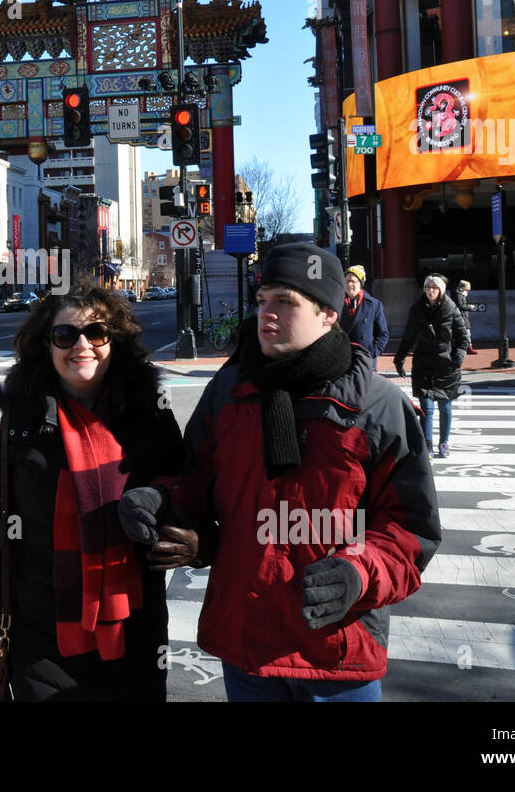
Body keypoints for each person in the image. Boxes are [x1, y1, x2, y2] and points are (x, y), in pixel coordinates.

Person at [118, 243, 440, 702]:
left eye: (286, 303)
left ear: (329, 314)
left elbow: (411, 531)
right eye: (263, 299)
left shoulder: (377, 407)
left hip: (337, 657)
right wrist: (164, 499)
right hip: (247, 648)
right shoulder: (229, 392)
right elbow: (198, 481)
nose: (267, 313)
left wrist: (358, 573)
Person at [0, 281, 193, 701]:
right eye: (65, 334)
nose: (82, 345)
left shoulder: (148, 415)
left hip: (136, 634)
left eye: (97, 333)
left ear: (115, 342)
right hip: (40, 641)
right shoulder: (11, 423)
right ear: (46, 344)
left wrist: (195, 539)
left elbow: (189, 493)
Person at [394, 274, 469, 459]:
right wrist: (399, 358)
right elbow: (409, 336)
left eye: (434, 288)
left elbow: (462, 338)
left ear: (441, 290)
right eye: (428, 287)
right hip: (423, 364)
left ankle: (444, 442)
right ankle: (427, 445)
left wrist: (457, 359)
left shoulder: (451, 309)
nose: (431, 290)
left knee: (445, 407)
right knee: (426, 408)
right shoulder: (417, 309)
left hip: (447, 366)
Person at [337, 264, 389, 362]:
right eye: (346, 281)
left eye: (352, 281)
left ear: (360, 283)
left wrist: (372, 352)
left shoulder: (374, 305)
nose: (349, 285)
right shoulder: (337, 302)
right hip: (343, 358)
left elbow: (383, 333)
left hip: (365, 358)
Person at [453, 279, 478, 355]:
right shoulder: (458, 295)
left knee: (465, 332)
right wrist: (470, 306)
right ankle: (468, 348)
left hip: (462, 316)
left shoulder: (459, 295)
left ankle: (467, 347)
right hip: (461, 317)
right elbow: (461, 306)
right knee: (466, 332)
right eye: (466, 289)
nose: (467, 291)